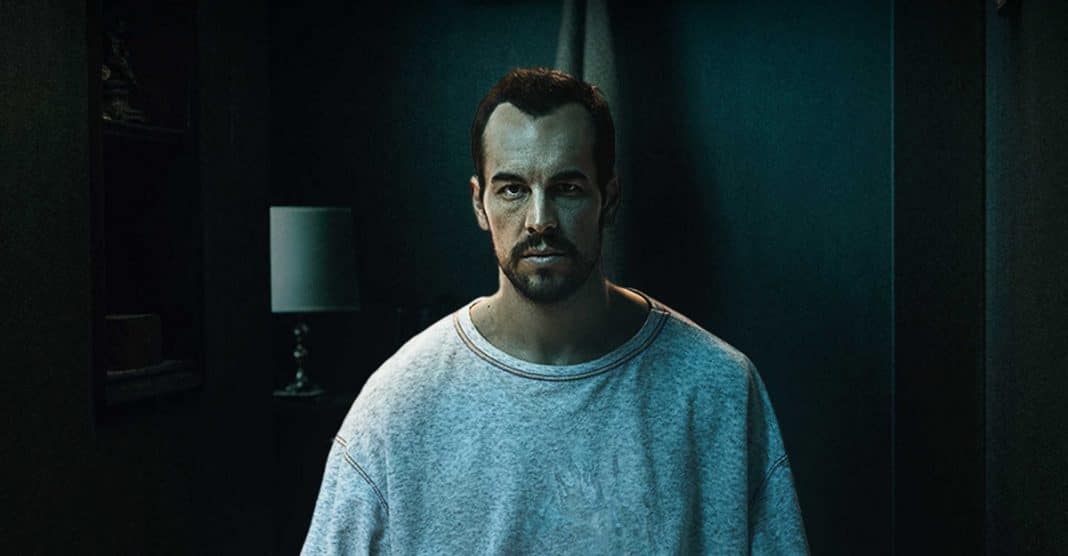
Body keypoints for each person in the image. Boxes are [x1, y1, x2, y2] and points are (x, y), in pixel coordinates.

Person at [302, 67, 808, 555]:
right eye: (513, 189)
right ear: (479, 204)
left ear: (609, 199)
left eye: (566, 188)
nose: (539, 220)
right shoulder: (399, 404)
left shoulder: (718, 390)